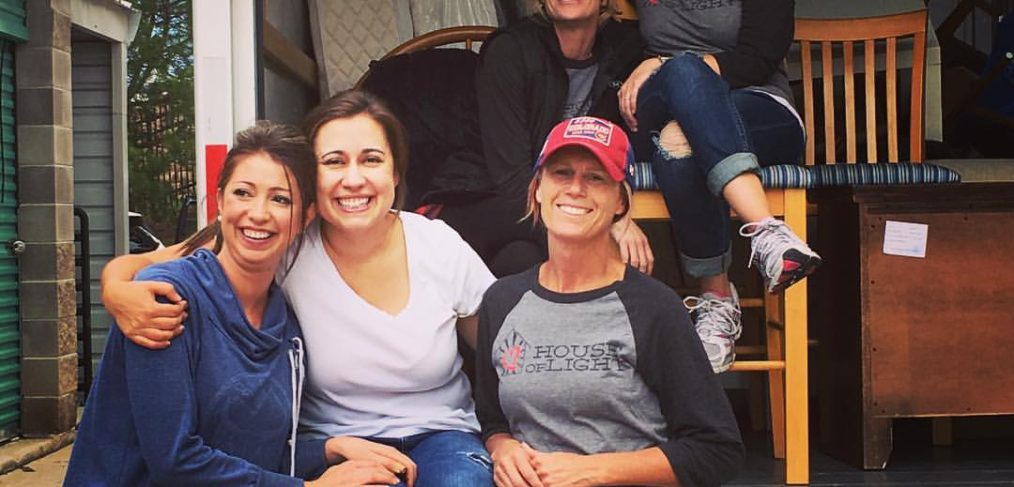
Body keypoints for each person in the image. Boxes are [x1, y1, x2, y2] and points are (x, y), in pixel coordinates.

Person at [98, 91, 497, 487]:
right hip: (331, 442)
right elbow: (155, 262)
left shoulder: (438, 245)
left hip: (441, 435)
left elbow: (506, 352)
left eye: (371, 160)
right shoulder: (286, 239)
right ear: (311, 180)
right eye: (334, 162)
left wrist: (506, 437)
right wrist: (116, 289)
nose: (353, 179)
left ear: (395, 173)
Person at [65, 122, 401, 486]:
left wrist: (332, 448)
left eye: (280, 198)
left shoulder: (285, 325)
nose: (258, 213)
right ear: (221, 202)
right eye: (243, 193)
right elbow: (175, 461)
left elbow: (260, 455)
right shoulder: (163, 301)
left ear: (305, 218)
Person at [474, 117, 743, 487]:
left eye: (596, 177)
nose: (575, 189)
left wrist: (594, 470)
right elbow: (492, 419)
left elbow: (717, 450)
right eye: (561, 173)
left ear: (620, 200)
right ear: (538, 188)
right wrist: (502, 448)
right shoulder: (502, 300)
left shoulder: (653, 307)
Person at [616, 0, 822, 373]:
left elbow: (759, 58)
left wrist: (666, 61)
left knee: (678, 140)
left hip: (760, 108)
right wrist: (663, 67)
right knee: (681, 76)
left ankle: (716, 296)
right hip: (662, 98)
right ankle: (767, 232)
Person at [436, 0, 654, 277]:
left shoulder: (624, 50)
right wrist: (611, 220)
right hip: (481, 197)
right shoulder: (510, 51)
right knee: (579, 246)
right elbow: (511, 180)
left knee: (521, 260)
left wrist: (656, 63)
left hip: (547, 210)